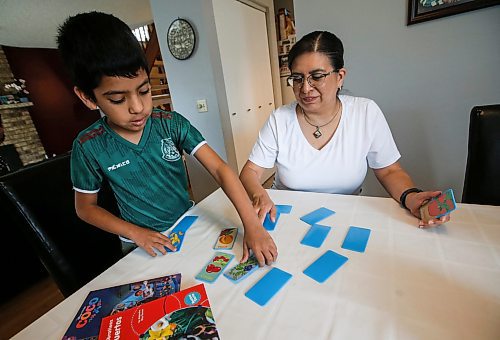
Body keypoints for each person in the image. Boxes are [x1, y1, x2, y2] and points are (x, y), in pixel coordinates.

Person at [57, 11, 276, 266]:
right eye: (117, 99)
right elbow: (85, 208)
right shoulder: (89, 146)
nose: (138, 107)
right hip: (139, 244)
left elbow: (219, 169)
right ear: (87, 97)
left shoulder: (170, 123)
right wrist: (135, 233)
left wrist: (252, 225)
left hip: (188, 224)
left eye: (144, 90)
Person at [240, 31, 450, 228]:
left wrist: (410, 197)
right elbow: (251, 171)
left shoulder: (365, 112)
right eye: (297, 78)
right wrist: (260, 194)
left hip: (345, 218)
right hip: (285, 217)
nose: (305, 88)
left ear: (340, 76)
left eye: (317, 76)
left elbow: (389, 170)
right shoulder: (279, 119)